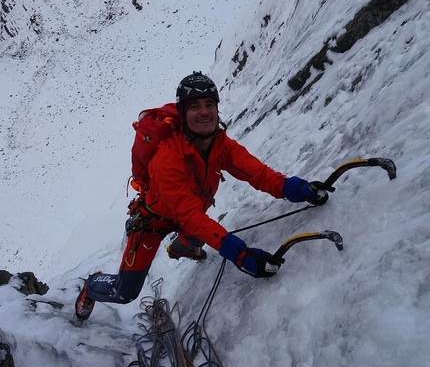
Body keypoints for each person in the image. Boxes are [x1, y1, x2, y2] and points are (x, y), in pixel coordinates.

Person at [74, 71, 329, 321]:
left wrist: (299, 189)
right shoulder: (168, 159)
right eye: (195, 106)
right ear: (183, 115)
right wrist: (240, 255)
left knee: (197, 231)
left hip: (189, 214)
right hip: (151, 222)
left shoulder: (222, 145)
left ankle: (181, 248)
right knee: (125, 292)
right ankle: (92, 284)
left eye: (210, 104)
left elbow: (259, 174)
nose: (204, 111)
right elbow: (190, 216)